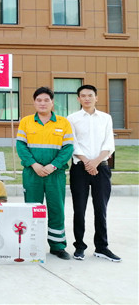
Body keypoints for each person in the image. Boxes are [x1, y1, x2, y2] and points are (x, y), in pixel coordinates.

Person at [17, 86, 74, 260]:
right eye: (39, 100)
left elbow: (68, 148)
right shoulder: (26, 122)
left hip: (55, 174)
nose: (42, 103)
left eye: (46, 100)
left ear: (52, 102)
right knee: (32, 209)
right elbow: (21, 146)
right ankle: (32, 244)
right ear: (34, 102)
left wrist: (53, 166)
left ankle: (58, 246)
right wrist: (34, 165)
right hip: (32, 173)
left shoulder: (63, 123)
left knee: (56, 209)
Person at [67, 85, 120, 262]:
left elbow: (109, 143)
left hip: (101, 168)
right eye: (83, 96)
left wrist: (95, 162)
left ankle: (102, 247)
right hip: (79, 169)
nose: (87, 98)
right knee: (79, 209)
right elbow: (72, 143)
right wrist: (87, 162)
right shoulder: (72, 119)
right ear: (78, 99)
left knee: (101, 208)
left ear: (96, 97)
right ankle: (79, 246)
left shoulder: (106, 118)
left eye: (90, 95)